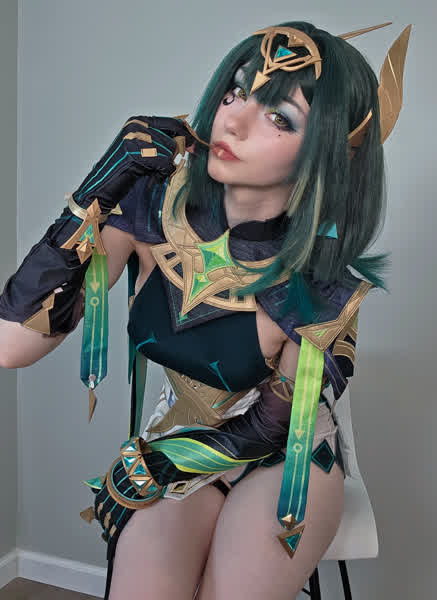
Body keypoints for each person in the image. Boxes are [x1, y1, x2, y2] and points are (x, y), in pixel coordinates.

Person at [0, 19, 411, 600]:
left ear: (326, 154)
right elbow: (10, 345)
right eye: (235, 91)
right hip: (178, 436)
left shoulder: (322, 283)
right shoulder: (150, 208)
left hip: (285, 459)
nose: (233, 120)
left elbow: (273, 424)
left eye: (279, 117)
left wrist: (169, 461)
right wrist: (97, 188)